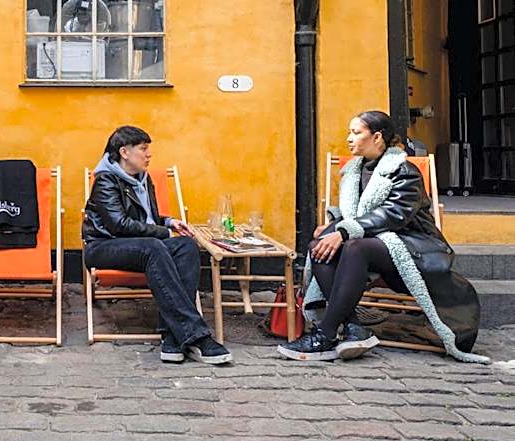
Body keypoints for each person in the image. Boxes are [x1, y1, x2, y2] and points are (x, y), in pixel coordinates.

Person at [278, 111, 486, 364]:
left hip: (413, 247)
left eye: (356, 132)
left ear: (377, 137)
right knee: (318, 245)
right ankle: (355, 328)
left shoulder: (404, 171)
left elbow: (393, 215)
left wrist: (343, 231)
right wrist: (333, 225)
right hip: (374, 244)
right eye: (349, 132)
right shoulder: (354, 171)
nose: (348, 138)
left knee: (355, 248)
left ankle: (326, 333)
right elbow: (355, 213)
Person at [82, 126, 232, 364]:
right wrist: (163, 231)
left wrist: (171, 222)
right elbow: (119, 224)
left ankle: (172, 337)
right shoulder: (106, 182)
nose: (149, 154)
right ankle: (197, 335)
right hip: (104, 246)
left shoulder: (142, 179)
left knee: (186, 246)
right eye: (143, 149)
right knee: (155, 246)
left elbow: (146, 218)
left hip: (140, 245)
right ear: (124, 152)